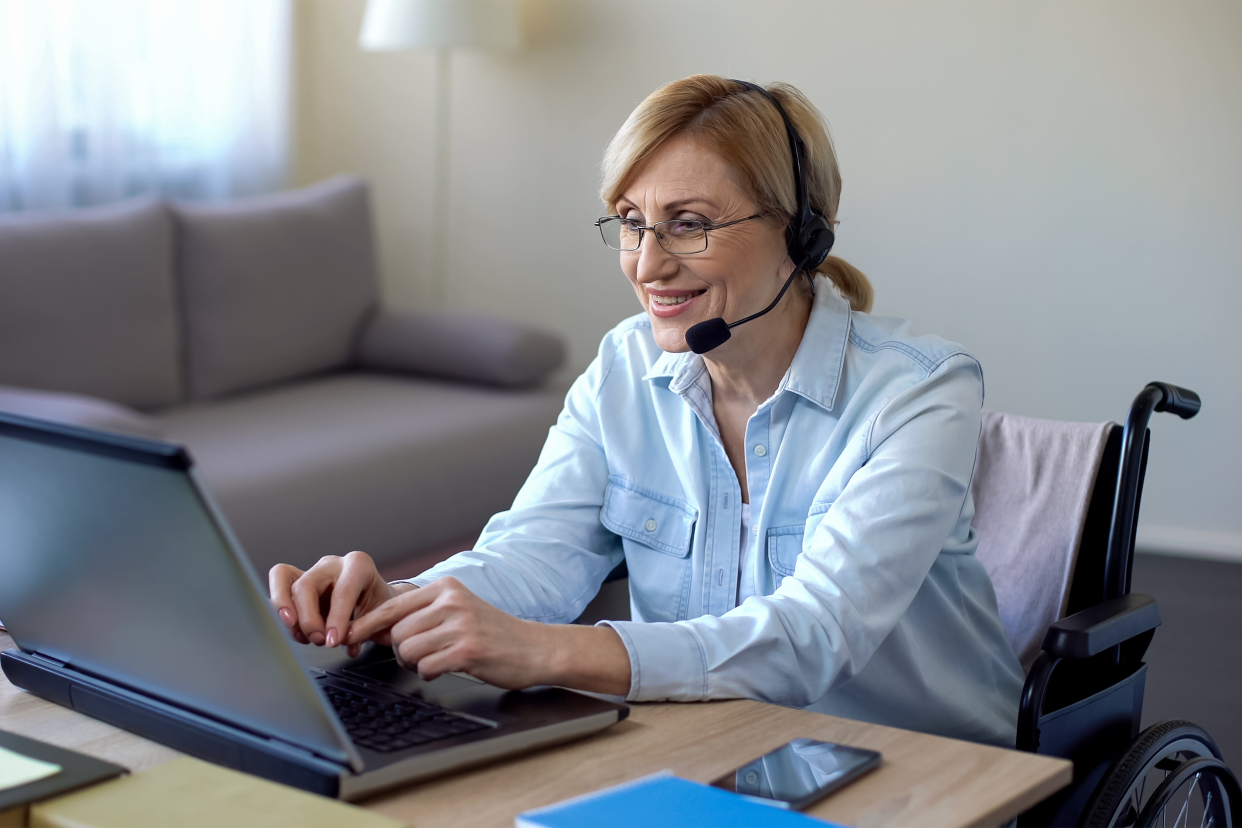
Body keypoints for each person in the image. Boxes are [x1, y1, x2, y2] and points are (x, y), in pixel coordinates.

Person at [269, 75, 1024, 746]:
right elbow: (535, 552)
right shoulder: (626, 368)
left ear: (802, 233)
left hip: (916, 764)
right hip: (707, 742)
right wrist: (402, 604)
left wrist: (545, 650)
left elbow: (813, 634)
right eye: (631, 221)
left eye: (688, 223)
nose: (647, 263)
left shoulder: (921, 392)